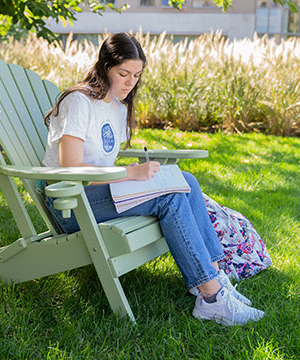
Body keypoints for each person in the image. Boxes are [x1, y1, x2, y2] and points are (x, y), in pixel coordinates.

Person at [43, 32, 265, 326]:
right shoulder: (79, 102)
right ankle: (211, 299)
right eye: (123, 73)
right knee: (169, 198)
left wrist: (134, 173)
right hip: (71, 202)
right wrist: (129, 174)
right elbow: (70, 167)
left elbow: (100, 162)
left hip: (97, 195)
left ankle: (215, 279)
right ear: (104, 67)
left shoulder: (118, 108)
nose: (129, 82)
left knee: (186, 181)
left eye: (136, 75)